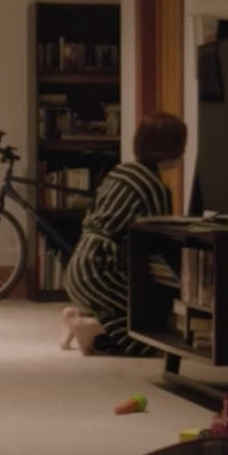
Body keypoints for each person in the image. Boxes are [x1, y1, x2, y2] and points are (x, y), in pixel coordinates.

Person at [61, 111, 187, 356]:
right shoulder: (154, 187)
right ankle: (92, 329)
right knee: (152, 327)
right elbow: (157, 241)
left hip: (79, 266)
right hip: (101, 270)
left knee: (129, 314)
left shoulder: (119, 172)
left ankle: (81, 317)